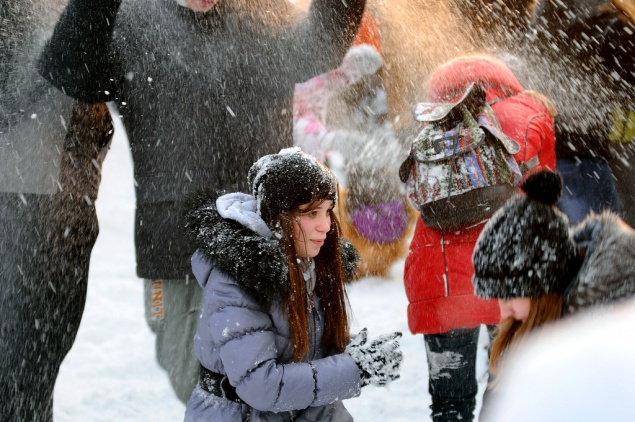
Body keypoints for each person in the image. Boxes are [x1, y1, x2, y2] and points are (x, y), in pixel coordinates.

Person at [37, 0, 366, 404]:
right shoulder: (131, 19)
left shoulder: (265, 15)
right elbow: (66, 70)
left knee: (281, 381)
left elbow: (325, 40)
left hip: (267, 246)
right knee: (198, 385)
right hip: (173, 247)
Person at [182, 147, 403, 421]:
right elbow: (263, 386)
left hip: (301, 410)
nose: (325, 225)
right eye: (311, 214)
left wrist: (356, 352)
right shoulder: (236, 280)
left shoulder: (308, 261)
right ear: (277, 215)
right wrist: (353, 369)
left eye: (327, 211)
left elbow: (304, 350)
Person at [402, 54, 556, 422]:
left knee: (449, 405)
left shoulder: (434, 119)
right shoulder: (529, 110)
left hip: (437, 281)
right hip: (506, 278)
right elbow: (547, 186)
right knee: (506, 393)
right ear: (504, 78)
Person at [471, 169, 635, 420]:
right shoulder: (522, 330)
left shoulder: (613, 322)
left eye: (508, 296)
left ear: (541, 285)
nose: (503, 311)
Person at [514, 0, 635, 225]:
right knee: (598, 247)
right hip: (584, 162)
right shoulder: (611, 23)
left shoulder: (543, 15)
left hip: (543, 159)